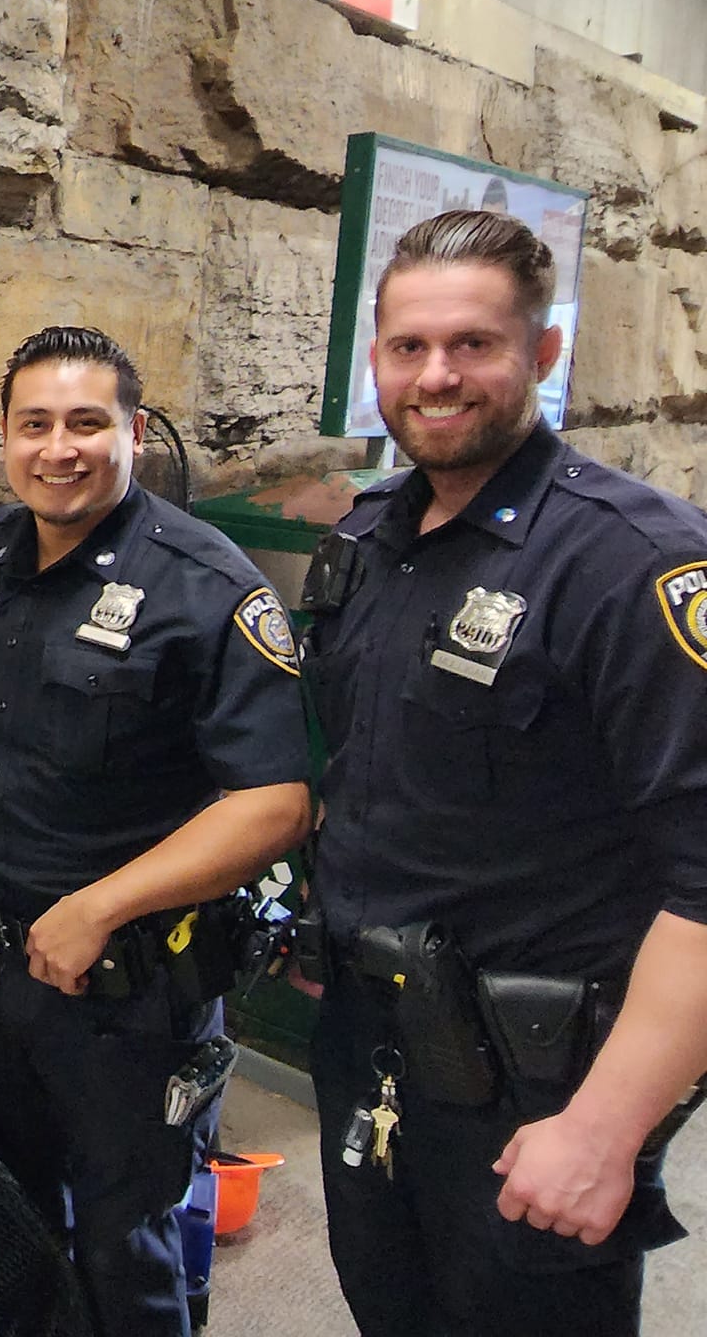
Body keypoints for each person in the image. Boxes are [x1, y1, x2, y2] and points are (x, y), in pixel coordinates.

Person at [302, 209, 707, 1335]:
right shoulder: (372, 536)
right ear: (374, 358)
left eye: (472, 344)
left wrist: (605, 1129)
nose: (435, 377)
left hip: (537, 1087)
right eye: (407, 347)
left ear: (540, 353)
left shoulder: (632, 564)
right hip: (372, 1046)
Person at [0, 326, 311, 1337]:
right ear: (3, 436)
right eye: (33, 424)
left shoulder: (206, 588)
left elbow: (276, 802)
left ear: (132, 431)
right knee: (2, 1207)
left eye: (87, 423)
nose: (58, 447)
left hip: (129, 993)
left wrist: (99, 905)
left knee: (126, 1239)